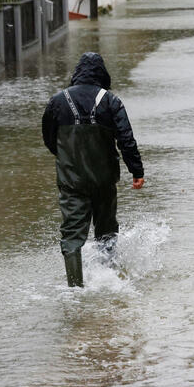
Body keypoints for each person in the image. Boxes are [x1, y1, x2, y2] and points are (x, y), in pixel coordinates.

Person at [42, 52, 145, 287]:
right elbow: (126, 140)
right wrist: (136, 171)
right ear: (102, 74)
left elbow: (49, 138)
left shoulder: (57, 102)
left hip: (71, 182)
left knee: (71, 236)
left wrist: (67, 159)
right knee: (106, 232)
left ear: (77, 72)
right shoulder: (111, 101)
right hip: (104, 181)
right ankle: (108, 280)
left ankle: (75, 289)